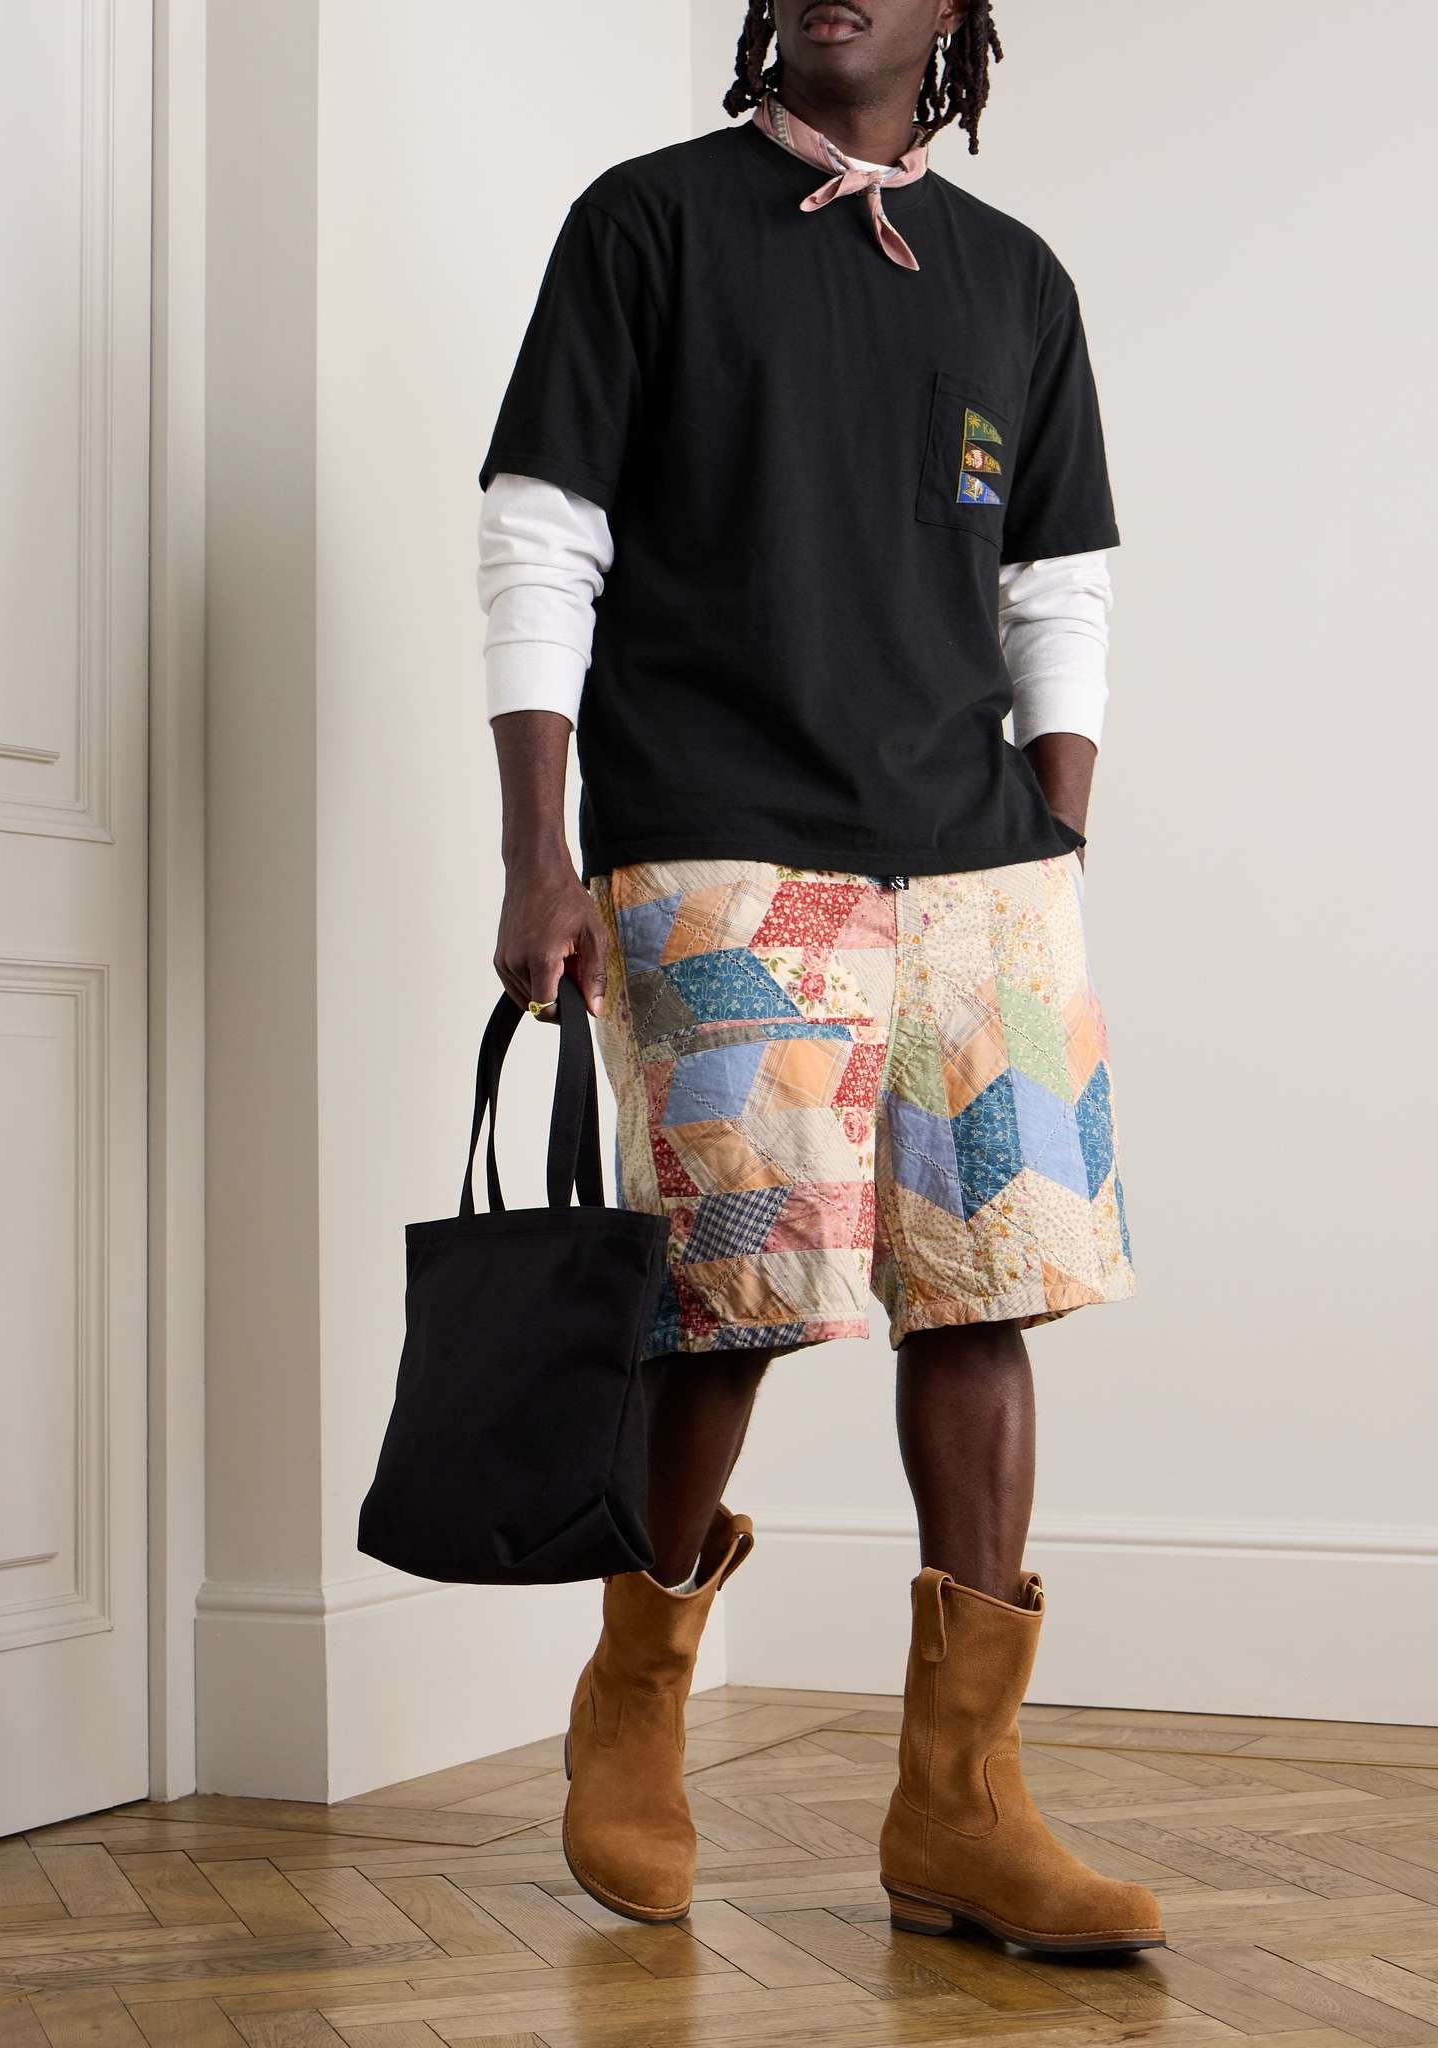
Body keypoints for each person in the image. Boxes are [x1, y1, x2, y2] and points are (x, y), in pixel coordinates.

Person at [475, 0, 1162, 1956]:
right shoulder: (650, 223)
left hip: (980, 873)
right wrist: (538, 848)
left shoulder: (1015, 278)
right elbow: (542, 538)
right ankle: (637, 1695)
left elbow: (1059, 579)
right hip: (721, 842)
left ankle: (964, 1802)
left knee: (990, 1292)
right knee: (730, 1302)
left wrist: (1054, 826)